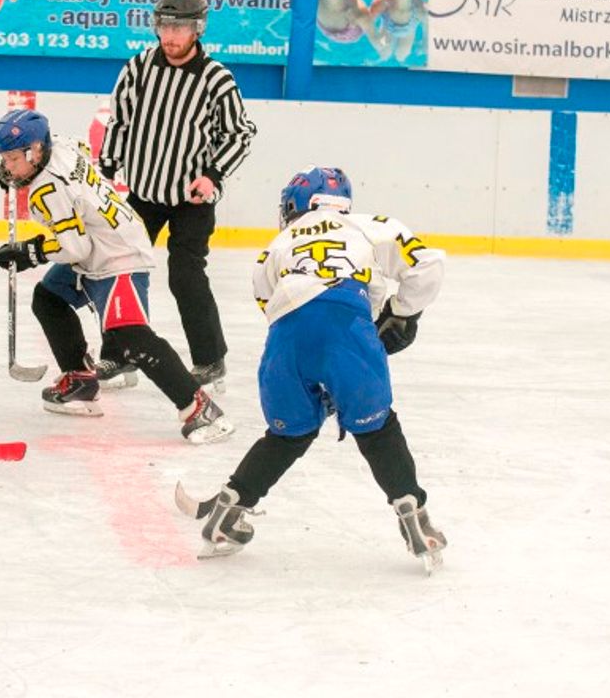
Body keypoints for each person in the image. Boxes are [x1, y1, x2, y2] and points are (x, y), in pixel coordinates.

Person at [175, 166, 448, 572]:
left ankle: (228, 513)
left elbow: (265, 296)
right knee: (376, 429)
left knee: (289, 434)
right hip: (348, 326)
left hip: (286, 336)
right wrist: (402, 314)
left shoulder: (279, 242)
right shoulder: (368, 225)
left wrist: (311, 359)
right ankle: (413, 513)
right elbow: (426, 265)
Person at [0, 108, 234, 445]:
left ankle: (199, 408)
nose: (7, 167)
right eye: (3, 159)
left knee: (132, 339)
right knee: (49, 298)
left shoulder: (47, 190)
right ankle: (80, 381)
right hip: (106, 241)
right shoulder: (58, 147)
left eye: (13, 159)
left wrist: (29, 252)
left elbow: (74, 248)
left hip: (118, 256)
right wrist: (20, 173)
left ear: (35, 153)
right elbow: (80, 149)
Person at [97, 0, 257, 392]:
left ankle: (210, 360)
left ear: (198, 28)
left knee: (185, 276)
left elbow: (240, 134)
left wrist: (214, 176)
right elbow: (119, 123)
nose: (170, 35)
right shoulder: (137, 68)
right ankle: (120, 354)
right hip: (142, 193)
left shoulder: (216, 78)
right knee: (119, 270)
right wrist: (107, 171)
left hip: (191, 197)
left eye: (180, 26)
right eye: (165, 25)